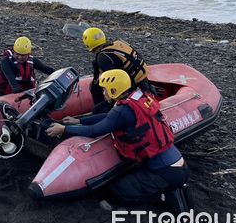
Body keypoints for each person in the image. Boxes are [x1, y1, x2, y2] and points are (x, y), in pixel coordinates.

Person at [45, 69, 191, 213]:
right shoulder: (135, 99)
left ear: (114, 90)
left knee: (118, 190)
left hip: (165, 171)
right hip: (177, 165)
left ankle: (163, 194)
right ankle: (171, 188)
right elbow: (109, 118)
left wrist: (64, 129)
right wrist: (79, 120)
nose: (103, 93)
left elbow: (95, 131)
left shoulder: (123, 110)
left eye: (105, 90)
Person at [82, 27, 153, 113]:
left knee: (96, 103)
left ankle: (107, 113)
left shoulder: (102, 57)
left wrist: (110, 100)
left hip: (130, 89)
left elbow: (113, 81)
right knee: (95, 86)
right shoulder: (118, 44)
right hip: (142, 82)